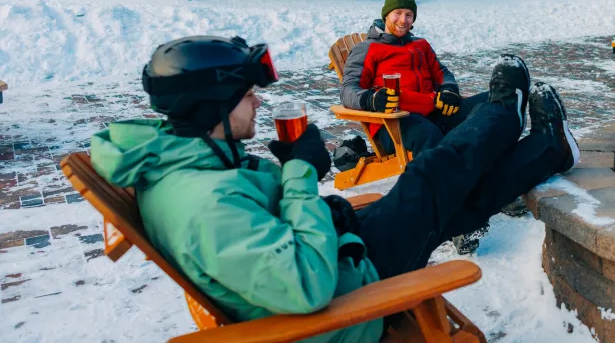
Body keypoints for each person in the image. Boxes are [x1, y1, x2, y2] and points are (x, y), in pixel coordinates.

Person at [91, 35, 578, 342]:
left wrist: (305, 191)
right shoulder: (204, 205)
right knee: (432, 174)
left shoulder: (180, 157)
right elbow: (306, 288)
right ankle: (500, 113)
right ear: (209, 108)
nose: (257, 103)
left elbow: (258, 223)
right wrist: (302, 175)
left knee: (444, 204)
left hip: (332, 248)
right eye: (245, 95)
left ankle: (546, 149)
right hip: (346, 300)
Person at [340, 0, 484, 157]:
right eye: (398, 13)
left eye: (409, 15)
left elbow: (441, 72)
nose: (403, 20)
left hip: (433, 113)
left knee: (493, 101)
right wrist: (371, 99)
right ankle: (445, 180)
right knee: (428, 134)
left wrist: (449, 89)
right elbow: (348, 90)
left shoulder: (420, 44)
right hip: (395, 122)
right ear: (386, 15)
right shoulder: (367, 48)